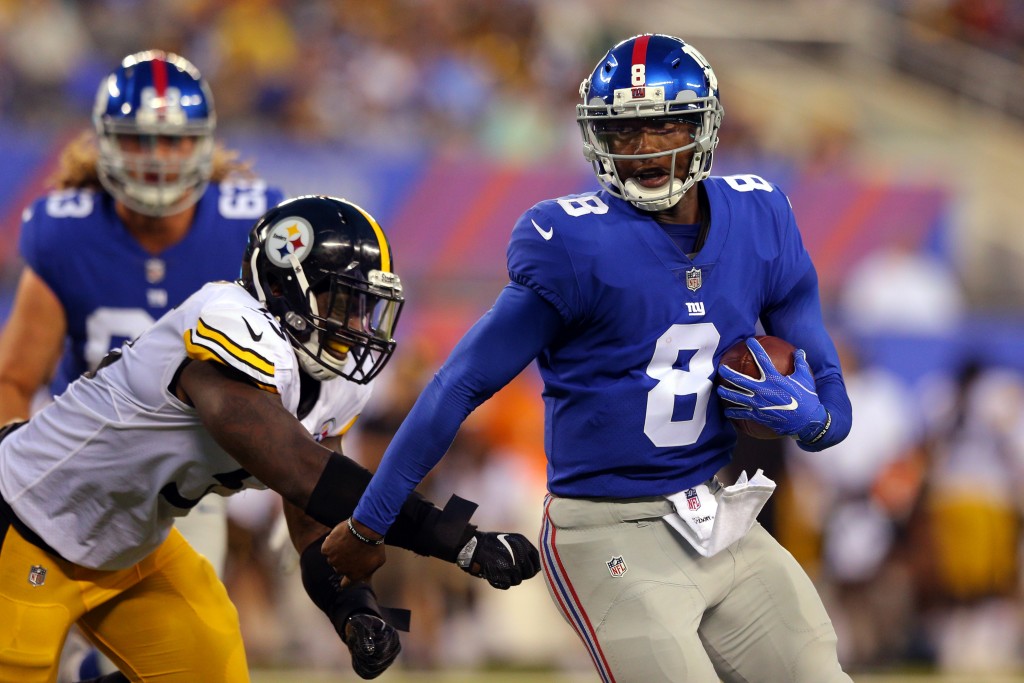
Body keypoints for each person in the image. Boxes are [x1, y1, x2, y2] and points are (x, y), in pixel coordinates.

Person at [326, 34, 855, 683]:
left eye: (665, 125)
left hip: (713, 511)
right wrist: (369, 521)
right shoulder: (572, 241)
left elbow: (832, 400)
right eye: (625, 130)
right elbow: (456, 385)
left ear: (704, 126)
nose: (646, 148)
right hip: (607, 530)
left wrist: (812, 417)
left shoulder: (761, 216)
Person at [0, 195, 540, 683]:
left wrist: (354, 610)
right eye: (343, 302)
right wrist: (456, 538)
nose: (357, 322)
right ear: (286, 291)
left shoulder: (328, 385)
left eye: (364, 306)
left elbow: (314, 523)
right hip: (28, 521)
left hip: (131, 546)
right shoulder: (227, 321)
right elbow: (300, 471)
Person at [0, 50, 283, 680]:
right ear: (104, 144)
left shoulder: (248, 225)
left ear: (204, 147)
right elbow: (15, 379)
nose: (157, 157)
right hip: (81, 471)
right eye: (139, 139)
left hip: (189, 479)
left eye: (173, 141)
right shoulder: (65, 233)